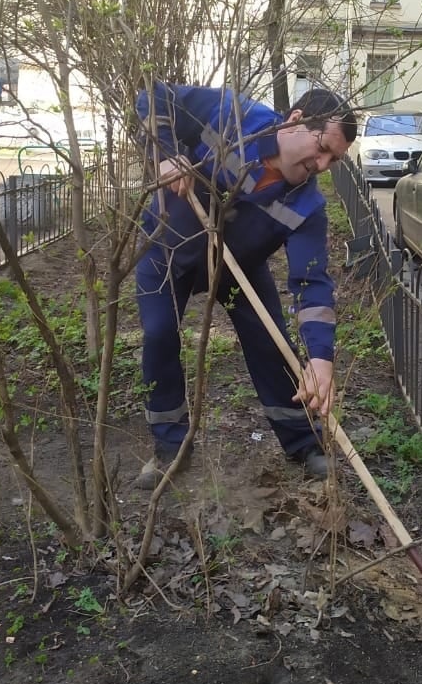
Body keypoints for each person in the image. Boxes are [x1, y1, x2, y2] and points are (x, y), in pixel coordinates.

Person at [133, 81, 358, 490]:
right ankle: (170, 445)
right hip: (168, 250)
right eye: (323, 148)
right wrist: (166, 156)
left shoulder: (307, 205)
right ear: (297, 121)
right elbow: (153, 96)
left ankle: (303, 443)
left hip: (238, 268)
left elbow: (311, 281)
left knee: (272, 344)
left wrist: (321, 357)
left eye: (334, 160)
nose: (323, 165)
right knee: (159, 335)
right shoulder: (235, 117)